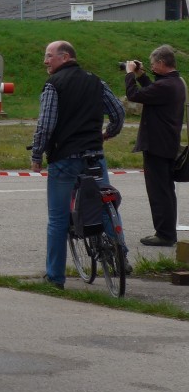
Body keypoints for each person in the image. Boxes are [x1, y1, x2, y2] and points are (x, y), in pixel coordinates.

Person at [29, 40, 125, 288]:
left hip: (65, 159)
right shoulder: (96, 81)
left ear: (64, 56)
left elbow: (46, 124)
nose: (45, 61)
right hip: (95, 156)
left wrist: (37, 154)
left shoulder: (53, 85)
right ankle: (121, 258)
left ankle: (55, 277)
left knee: (58, 219)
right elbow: (118, 112)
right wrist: (109, 132)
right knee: (105, 205)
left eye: (49, 56)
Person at [123, 45, 186, 247]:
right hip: (166, 143)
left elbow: (134, 95)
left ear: (161, 63)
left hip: (158, 145)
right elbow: (151, 90)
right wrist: (141, 74)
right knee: (165, 190)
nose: (151, 67)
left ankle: (165, 234)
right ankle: (165, 232)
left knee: (159, 191)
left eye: (152, 65)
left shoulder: (166, 85)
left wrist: (130, 75)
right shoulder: (174, 82)